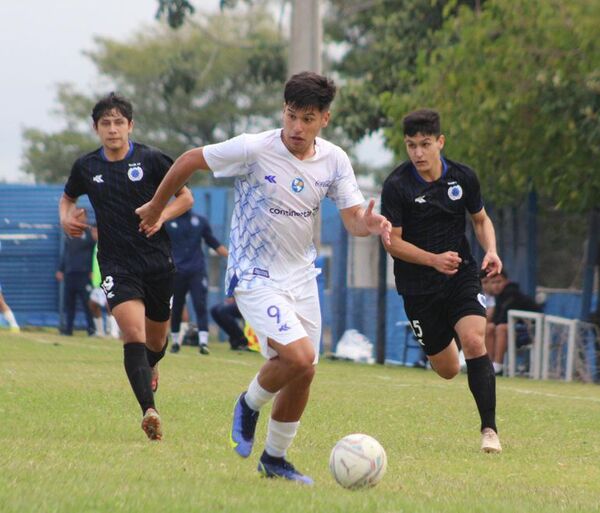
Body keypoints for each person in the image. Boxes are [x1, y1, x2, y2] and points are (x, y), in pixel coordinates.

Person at [136, 71, 392, 483]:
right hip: (254, 274)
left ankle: (274, 459)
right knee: (298, 356)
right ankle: (249, 402)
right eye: (291, 115)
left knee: (305, 370)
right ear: (283, 111)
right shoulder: (255, 148)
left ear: (324, 119)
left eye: (307, 118)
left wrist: (370, 223)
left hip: (302, 277)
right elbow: (188, 160)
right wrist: (154, 205)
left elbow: (353, 222)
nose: (296, 127)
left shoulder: (335, 160)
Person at [59, 92, 193, 441]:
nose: (113, 129)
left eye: (119, 122)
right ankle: (149, 411)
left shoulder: (150, 159)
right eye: (106, 123)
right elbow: (68, 197)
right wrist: (65, 218)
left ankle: (153, 361)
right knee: (132, 334)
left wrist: (160, 214)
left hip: (156, 261)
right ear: (96, 128)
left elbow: (186, 197)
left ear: (130, 126)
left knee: (156, 339)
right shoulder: (86, 167)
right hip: (116, 263)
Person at [381, 108, 503, 453]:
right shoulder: (397, 185)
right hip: (418, 287)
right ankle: (445, 339)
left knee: (475, 341)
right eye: (410, 145)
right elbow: (393, 242)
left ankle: (490, 430)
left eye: (424, 144)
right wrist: (433, 260)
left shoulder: (463, 177)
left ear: (440, 142)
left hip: (460, 273)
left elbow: (480, 220)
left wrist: (491, 249)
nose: (418, 153)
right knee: (448, 369)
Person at [166, 210, 228, 355]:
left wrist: (232, 258)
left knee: (200, 304)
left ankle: (203, 342)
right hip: (177, 270)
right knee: (177, 307)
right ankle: (176, 341)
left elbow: (213, 242)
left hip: (196, 270)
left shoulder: (200, 220)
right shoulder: (167, 220)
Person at [487, 270, 541, 376]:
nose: (496, 285)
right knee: (488, 327)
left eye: (499, 282)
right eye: (493, 283)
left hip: (529, 331)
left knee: (501, 328)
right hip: (514, 329)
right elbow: (496, 319)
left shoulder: (512, 293)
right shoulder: (499, 296)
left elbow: (504, 319)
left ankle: (498, 367)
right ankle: (487, 365)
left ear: (506, 281)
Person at [56, 208, 96, 336]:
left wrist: (92, 270)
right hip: (70, 273)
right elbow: (66, 253)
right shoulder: (71, 233)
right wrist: (61, 269)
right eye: (76, 215)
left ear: (85, 217)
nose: (78, 218)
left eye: (81, 215)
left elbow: (95, 253)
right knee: (69, 303)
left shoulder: (90, 233)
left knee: (87, 303)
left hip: (84, 274)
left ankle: (91, 328)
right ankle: (68, 329)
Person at [88, 236, 120, 339]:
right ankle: (100, 331)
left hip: (108, 280)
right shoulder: (96, 245)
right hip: (97, 283)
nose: (93, 234)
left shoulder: (110, 244)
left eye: (95, 231)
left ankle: (114, 332)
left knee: (109, 305)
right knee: (92, 304)